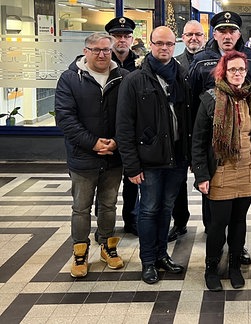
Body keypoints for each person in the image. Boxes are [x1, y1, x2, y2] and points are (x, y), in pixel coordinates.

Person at [116, 26, 192, 285]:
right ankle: (148, 261)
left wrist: (189, 157)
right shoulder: (135, 80)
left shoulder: (182, 75)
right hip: (148, 161)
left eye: (169, 44)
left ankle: (161, 255)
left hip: (177, 159)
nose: (164, 48)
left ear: (175, 46)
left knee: (166, 209)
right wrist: (131, 165)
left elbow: (187, 118)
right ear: (150, 44)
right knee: (148, 210)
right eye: (159, 43)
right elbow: (124, 126)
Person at [192, 51, 251, 292]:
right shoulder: (210, 98)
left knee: (239, 221)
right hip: (221, 168)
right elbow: (198, 140)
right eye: (232, 70)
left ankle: (235, 266)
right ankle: (211, 267)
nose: (237, 74)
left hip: (248, 167)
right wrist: (201, 175)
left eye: (241, 70)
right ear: (223, 72)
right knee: (218, 223)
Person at [189, 10, 251, 265]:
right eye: (222, 30)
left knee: (238, 216)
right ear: (215, 34)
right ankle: (214, 249)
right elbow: (193, 106)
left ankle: (236, 250)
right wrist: (198, 163)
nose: (227, 35)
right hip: (215, 155)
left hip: (244, 156)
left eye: (232, 31)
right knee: (214, 213)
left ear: (239, 34)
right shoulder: (200, 61)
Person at [55, 32, 128, 278]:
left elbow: (129, 116)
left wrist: (116, 143)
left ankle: (108, 246)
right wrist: (94, 144)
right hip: (83, 157)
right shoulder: (70, 79)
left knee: (108, 206)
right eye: (96, 50)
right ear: (85, 51)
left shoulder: (123, 77)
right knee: (81, 208)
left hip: (113, 157)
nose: (102, 54)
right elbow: (65, 119)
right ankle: (80, 252)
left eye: (106, 50)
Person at [168, 19, 206, 242]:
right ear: (182, 37)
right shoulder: (175, 64)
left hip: (205, 132)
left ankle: (211, 223)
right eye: (189, 35)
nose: (193, 39)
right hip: (181, 132)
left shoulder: (214, 61)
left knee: (207, 177)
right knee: (178, 179)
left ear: (204, 36)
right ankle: (180, 221)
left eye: (198, 35)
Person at [105, 16, 139, 236]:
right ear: (109, 38)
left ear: (132, 39)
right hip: (106, 132)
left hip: (131, 132)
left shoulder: (140, 63)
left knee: (132, 181)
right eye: (117, 36)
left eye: (126, 36)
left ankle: (131, 218)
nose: (122, 40)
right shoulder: (101, 61)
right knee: (106, 182)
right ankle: (104, 225)